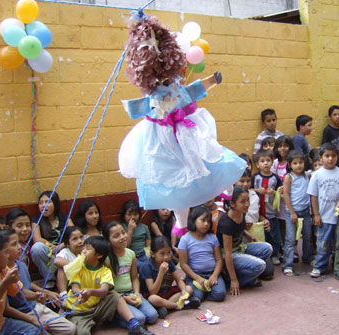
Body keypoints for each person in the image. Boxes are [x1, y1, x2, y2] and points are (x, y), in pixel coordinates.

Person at [118, 15, 246, 233]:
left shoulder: (179, 87)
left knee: (211, 155)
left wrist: (212, 80)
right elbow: (138, 107)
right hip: (164, 138)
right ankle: (181, 222)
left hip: (187, 130)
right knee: (172, 179)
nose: (163, 82)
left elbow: (194, 89)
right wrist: (132, 107)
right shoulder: (152, 96)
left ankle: (225, 188)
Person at [65, 236, 154, 335]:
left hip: (97, 307)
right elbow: (75, 288)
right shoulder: (78, 267)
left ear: (99, 255)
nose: (84, 251)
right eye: (84, 248)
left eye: (88, 249)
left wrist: (90, 292)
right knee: (82, 333)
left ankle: (134, 325)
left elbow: (104, 291)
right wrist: (82, 293)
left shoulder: (105, 271)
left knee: (116, 296)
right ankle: (94, 323)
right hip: (80, 311)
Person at [0, 229, 76, 335]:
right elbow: (10, 305)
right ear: (3, 251)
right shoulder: (2, 274)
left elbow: (26, 285)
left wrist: (43, 293)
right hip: (21, 314)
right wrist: (32, 319)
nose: (19, 247)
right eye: (14, 244)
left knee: (70, 329)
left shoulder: (20, 264)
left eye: (18, 243)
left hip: (35, 307)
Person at [217, 186, 273, 296]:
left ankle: (245, 274)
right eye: (243, 202)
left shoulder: (242, 212)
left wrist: (248, 234)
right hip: (229, 254)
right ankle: (232, 279)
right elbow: (227, 253)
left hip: (241, 247)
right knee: (260, 266)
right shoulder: (226, 223)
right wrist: (234, 280)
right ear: (232, 204)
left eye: (248, 200)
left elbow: (240, 228)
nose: (247, 204)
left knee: (267, 248)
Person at [103, 221, 158, 327]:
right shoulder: (107, 259)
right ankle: (113, 319)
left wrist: (137, 293)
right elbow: (107, 287)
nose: (122, 237)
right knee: (140, 319)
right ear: (108, 240)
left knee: (152, 316)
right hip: (116, 297)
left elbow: (134, 278)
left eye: (123, 232)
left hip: (131, 292)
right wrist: (124, 298)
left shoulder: (130, 253)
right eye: (116, 236)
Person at [0, 231, 40, 335]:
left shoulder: (3, 270)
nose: (8, 256)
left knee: (36, 330)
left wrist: (36, 296)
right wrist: (4, 284)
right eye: (6, 252)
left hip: (2, 324)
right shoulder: (4, 276)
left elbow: (19, 293)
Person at [139, 236, 200, 318]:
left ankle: (165, 307)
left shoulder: (168, 261)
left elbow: (179, 280)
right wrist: (161, 273)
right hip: (151, 295)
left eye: (168, 253)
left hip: (164, 293)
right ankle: (177, 305)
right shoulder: (146, 266)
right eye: (162, 253)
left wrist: (183, 291)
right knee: (153, 299)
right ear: (152, 254)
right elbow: (152, 292)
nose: (166, 257)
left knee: (188, 288)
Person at [178, 207, 226, 302]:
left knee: (220, 294)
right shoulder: (185, 239)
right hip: (195, 275)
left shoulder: (212, 238)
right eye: (202, 220)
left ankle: (207, 293)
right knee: (197, 296)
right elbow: (183, 264)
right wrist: (197, 278)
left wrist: (215, 275)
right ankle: (198, 291)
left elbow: (219, 260)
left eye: (208, 221)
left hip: (211, 273)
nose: (206, 224)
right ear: (193, 221)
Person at [235, 169, 274, 280]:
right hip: (239, 241)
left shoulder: (254, 196)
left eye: (248, 181)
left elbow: (257, 215)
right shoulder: (231, 198)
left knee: (269, 272)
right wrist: (242, 226)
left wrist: (264, 220)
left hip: (254, 238)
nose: (245, 184)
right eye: (242, 181)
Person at [307, 143, 339, 278]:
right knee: (323, 244)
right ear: (320, 158)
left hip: (337, 217)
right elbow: (313, 196)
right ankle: (320, 266)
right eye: (327, 156)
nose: (330, 159)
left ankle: (337, 268)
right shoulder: (317, 175)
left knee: (337, 245)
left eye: (333, 156)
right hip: (324, 217)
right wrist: (316, 215)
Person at [30, 191, 74, 288]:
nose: (43, 205)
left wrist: (60, 246)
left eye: (47, 202)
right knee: (36, 248)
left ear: (55, 203)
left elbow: (73, 234)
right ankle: (50, 278)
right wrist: (51, 246)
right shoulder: (36, 219)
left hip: (64, 249)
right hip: (49, 251)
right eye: (40, 203)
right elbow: (37, 238)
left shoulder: (64, 217)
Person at [282, 151, 314, 276]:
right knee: (290, 239)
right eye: (295, 163)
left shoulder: (307, 175)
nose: (298, 165)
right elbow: (286, 194)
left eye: (300, 162)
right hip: (292, 212)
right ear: (290, 165)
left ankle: (307, 257)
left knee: (307, 236)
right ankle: (288, 264)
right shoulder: (288, 177)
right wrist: (292, 212)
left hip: (306, 211)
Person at [252, 150, 282, 265]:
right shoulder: (255, 177)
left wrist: (274, 192)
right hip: (258, 213)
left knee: (273, 234)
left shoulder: (275, 178)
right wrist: (257, 190)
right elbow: (248, 190)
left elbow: (281, 193)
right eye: (262, 161)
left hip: (271, 212)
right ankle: (263, 255)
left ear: (272, 163)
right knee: (260, 234)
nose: (265, 163)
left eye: (268, 161)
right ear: (257, 164)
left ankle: (274, 254)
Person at [54, 226, 84, 299]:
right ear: (67, 244)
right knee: (62, 268)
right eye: (75, 239)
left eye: (81, 237)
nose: (80, 241)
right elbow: (56, 261)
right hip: (70, 281)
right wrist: (75, 266)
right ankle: (63, 295)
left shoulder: (87, 250)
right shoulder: (66, 252)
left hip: (84, 278)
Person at [121, 200, 151, 270]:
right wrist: (130, 230)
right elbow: (126, 246)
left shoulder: (144, 227)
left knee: (150, 264)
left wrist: (148, 255)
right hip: (131, 256)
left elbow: (148, 245)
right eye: (129, 214)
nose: (132, 217)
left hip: (143, 254)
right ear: (124, 216)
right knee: (142, 266)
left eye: (135, 214)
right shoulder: (122, 228)